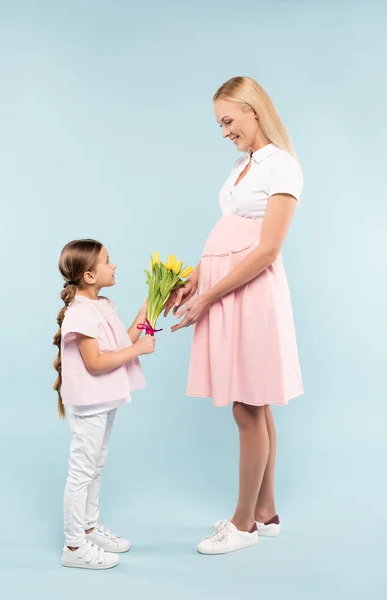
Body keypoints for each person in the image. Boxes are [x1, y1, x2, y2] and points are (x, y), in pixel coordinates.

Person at [165, 76, 304, 555]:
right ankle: (265, 513)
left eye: (228, 120)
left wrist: (208, 296)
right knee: (255, 404)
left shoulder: (281, 167)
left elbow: (267, 250)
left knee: (248, 404)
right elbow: (231, 235)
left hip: (252, 295)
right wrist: (195, 281)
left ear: (254, 111)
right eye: (219, 123)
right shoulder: (243, 166)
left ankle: (242, 524)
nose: (224, 131)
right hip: (227, 291)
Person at [53, 239, 156, 569]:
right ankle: (73, 548)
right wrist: (139, 350)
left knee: (95, 466)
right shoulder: (80, 313)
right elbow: (96, 362)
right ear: (89, 276)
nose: (114, 266)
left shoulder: (102, 305)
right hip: (90, 402)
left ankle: (89, 528)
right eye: (107, 261)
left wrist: (142, 318)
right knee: (82, 471)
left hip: (104, 398)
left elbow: (118, 345)